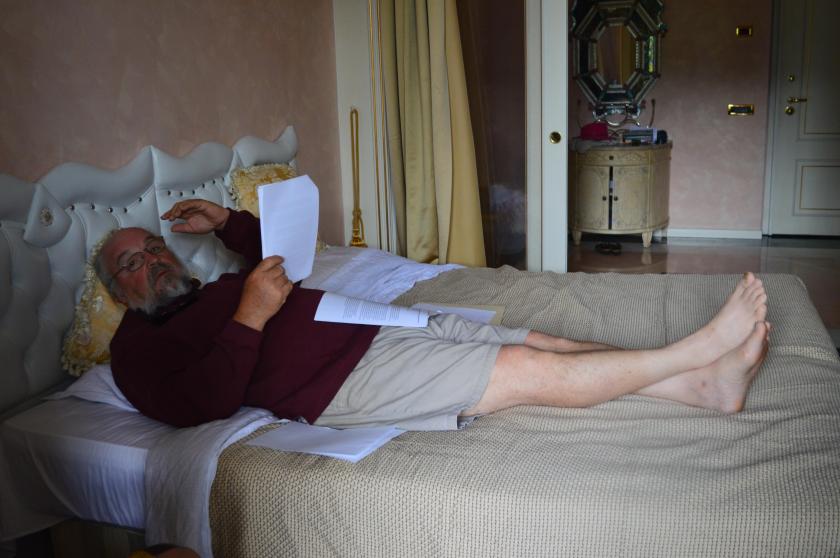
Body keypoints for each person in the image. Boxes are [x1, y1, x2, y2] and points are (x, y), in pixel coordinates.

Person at [98, 199, 770, 431]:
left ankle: (703, 388)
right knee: (522, 366)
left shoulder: (211, 287)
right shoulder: (137, 347)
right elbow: (198, 405)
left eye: (154, 246)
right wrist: (250, 316)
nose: (152, 260)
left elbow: (280, 253)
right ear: (117, 292)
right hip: (337, 382)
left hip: (362, 321)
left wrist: (226, 222)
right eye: (132, 262)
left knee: (544, 337)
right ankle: (693, 352)